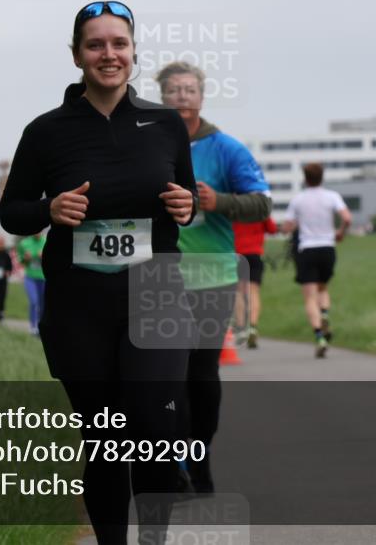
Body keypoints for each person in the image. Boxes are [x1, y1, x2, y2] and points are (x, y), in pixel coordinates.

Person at [0, 0, 196, 545]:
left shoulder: (165, 124)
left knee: (154, 429)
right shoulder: (46, 132)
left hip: (154, 292)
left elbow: (184, 199)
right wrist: (49, 210)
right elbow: (11, 211)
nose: (108, 54)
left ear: (133, 52)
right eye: (95, 44)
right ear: (77, 55)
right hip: (79, 305)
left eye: (118, 43)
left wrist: (187, 207)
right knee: (106, 436)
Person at [158, 60, 271, 494]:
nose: (182, 96)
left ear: (201, 97)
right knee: (168, 374)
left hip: (211, 276)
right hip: (158, 277)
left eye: (190, 89)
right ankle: (175, 462)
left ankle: (199, 457)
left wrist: (219, 201)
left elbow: (261, 204)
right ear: (162, 97)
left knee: (201, 373)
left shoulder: (226, 149)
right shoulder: (146, 145)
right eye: (174, 90)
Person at [281, 163, 352, 358]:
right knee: (323, 287)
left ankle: (320, 336)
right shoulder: (332, 196)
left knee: (310, 297)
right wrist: (340, 233)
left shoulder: (298, 200)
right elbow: (347, 218)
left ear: (305, 178)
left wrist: (291, 226)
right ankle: (326, 315)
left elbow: (286, 227)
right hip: (327, 247)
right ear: (322, 177)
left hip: (307, 249)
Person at [232, 217, 278, 349]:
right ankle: (252, 327)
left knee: (239, 293)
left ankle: (241, 329)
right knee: (253, 292)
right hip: (255, 253)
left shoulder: (233, 208)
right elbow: (272, 229)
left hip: (237, 253)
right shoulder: (259, 209)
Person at [16, 233, 46, 335]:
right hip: (30, 277)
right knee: (34, 301)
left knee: (43, 304)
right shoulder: (24, 243)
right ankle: (32, 326)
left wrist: (45, 256)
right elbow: (20, 261)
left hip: (43, 277)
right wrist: (25, 258)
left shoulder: (46, 241)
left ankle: (40, 326)